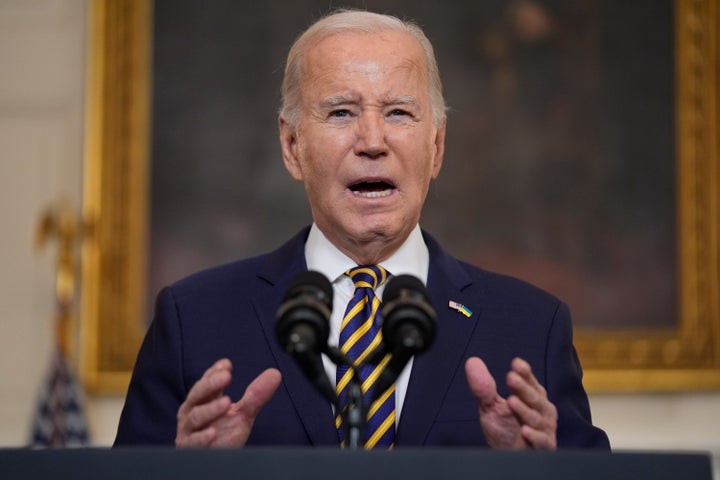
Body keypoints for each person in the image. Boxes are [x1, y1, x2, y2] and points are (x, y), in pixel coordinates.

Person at [114, 9, 609, 450]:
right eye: (341, 112)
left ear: (436, 148)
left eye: (398, 112)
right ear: (292, 146)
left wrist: (546, 474)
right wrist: (183, 474)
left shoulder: (531, 328)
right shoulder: (193, 321)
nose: (372, 141)